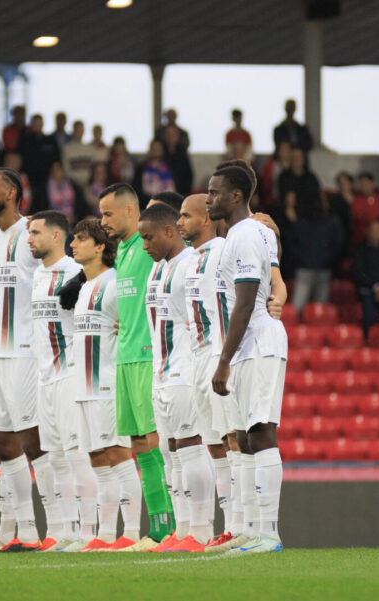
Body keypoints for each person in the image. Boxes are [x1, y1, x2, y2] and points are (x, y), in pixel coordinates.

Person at [207, 164, 286, 554]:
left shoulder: (247, 235)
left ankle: (268, 533)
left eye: (215, 192)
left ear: (236, 195)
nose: (209, 199)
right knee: (243, 438)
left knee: (261, 432)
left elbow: (244, 301)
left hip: (257, 342)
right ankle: (251, 531)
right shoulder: (247, 233)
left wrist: (223, 361)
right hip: (245, 345)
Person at [27, 211, 110, 551]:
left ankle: (89, 532)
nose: (29, 239)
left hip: (72, 373)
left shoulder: (76, 270)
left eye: (35, 232)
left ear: (56, 236)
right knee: (56, 457)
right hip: (44, 378)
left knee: (77, 455)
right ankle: (68, 532)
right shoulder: (36, 275)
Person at [97, 183, 174, 550]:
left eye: (108, 214)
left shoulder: (149, 248)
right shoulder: (125, 251)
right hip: (124, 357)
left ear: (131, 211)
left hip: (146, 355)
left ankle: (171, 527)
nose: (103, 221)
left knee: (154, 441)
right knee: (138, 445)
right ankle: (157, 527)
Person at [0, 167, 49, 552]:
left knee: (33, 442)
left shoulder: (32, 233)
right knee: (2, 445)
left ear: (12, 192)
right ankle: (22, 531)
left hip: (25, 349)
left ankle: (59, 528)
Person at [138, 202, 216, 552]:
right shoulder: (157, 269)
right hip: (161, 373)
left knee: (190, 447)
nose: (144, 245)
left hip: (184, 370)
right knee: (169, 451)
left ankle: (201, 530)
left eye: (149, 238)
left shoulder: (190, 265)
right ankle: (182, 528)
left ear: (169, 231)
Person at [56, 217, 129, 551]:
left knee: (118, 456)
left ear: (100, 246)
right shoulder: (84, 287)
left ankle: (131, 532)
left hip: (107, 384)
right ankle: (106, 535)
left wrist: (126, 327)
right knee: (97, 459)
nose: (73, 244)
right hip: (83, 385)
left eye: (81, 239)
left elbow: (133, 322)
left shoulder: (115, 282)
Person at [175, 193, 234, 548]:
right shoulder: (190, 261)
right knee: (213, 444)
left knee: (231, 440)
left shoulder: (224, 252)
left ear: (207, 219)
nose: (180, 222)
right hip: (196, 358)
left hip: (218, 355)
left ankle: (240, 524)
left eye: (186, 215)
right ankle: (225, 528)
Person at [290, 191, 341, 311]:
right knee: (297, 307)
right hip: (304, 270)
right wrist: (302, 259)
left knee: (321, 309)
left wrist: (327, 261)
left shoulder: (330, 224)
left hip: (324, 270)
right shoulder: (300, 223)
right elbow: (291, 245)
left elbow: (336, 246)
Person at [277, 148, 321, 212]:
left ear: (303, 159)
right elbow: (284, 197)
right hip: (290, 210)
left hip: (309, 211)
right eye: (294, 157)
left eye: (299, 157)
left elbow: (316, 195)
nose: (296, 159)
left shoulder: (311, 177)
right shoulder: (284, 176)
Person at [350, 173, 379, 246]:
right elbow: (358, 216)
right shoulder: (356, 200)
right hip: (361, 237)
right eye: (361, 184)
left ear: (372, 183)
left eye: (366, 183)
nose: (363, 187)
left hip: (378, 236)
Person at [62, 120, 95, 186]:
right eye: (78, 130)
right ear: (73, 131)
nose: (80, 133)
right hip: (72, 185)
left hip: (88, 185)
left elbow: (93, 168)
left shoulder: (90, 149)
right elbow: (66, 170)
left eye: (81, 130)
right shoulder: (67, 149)